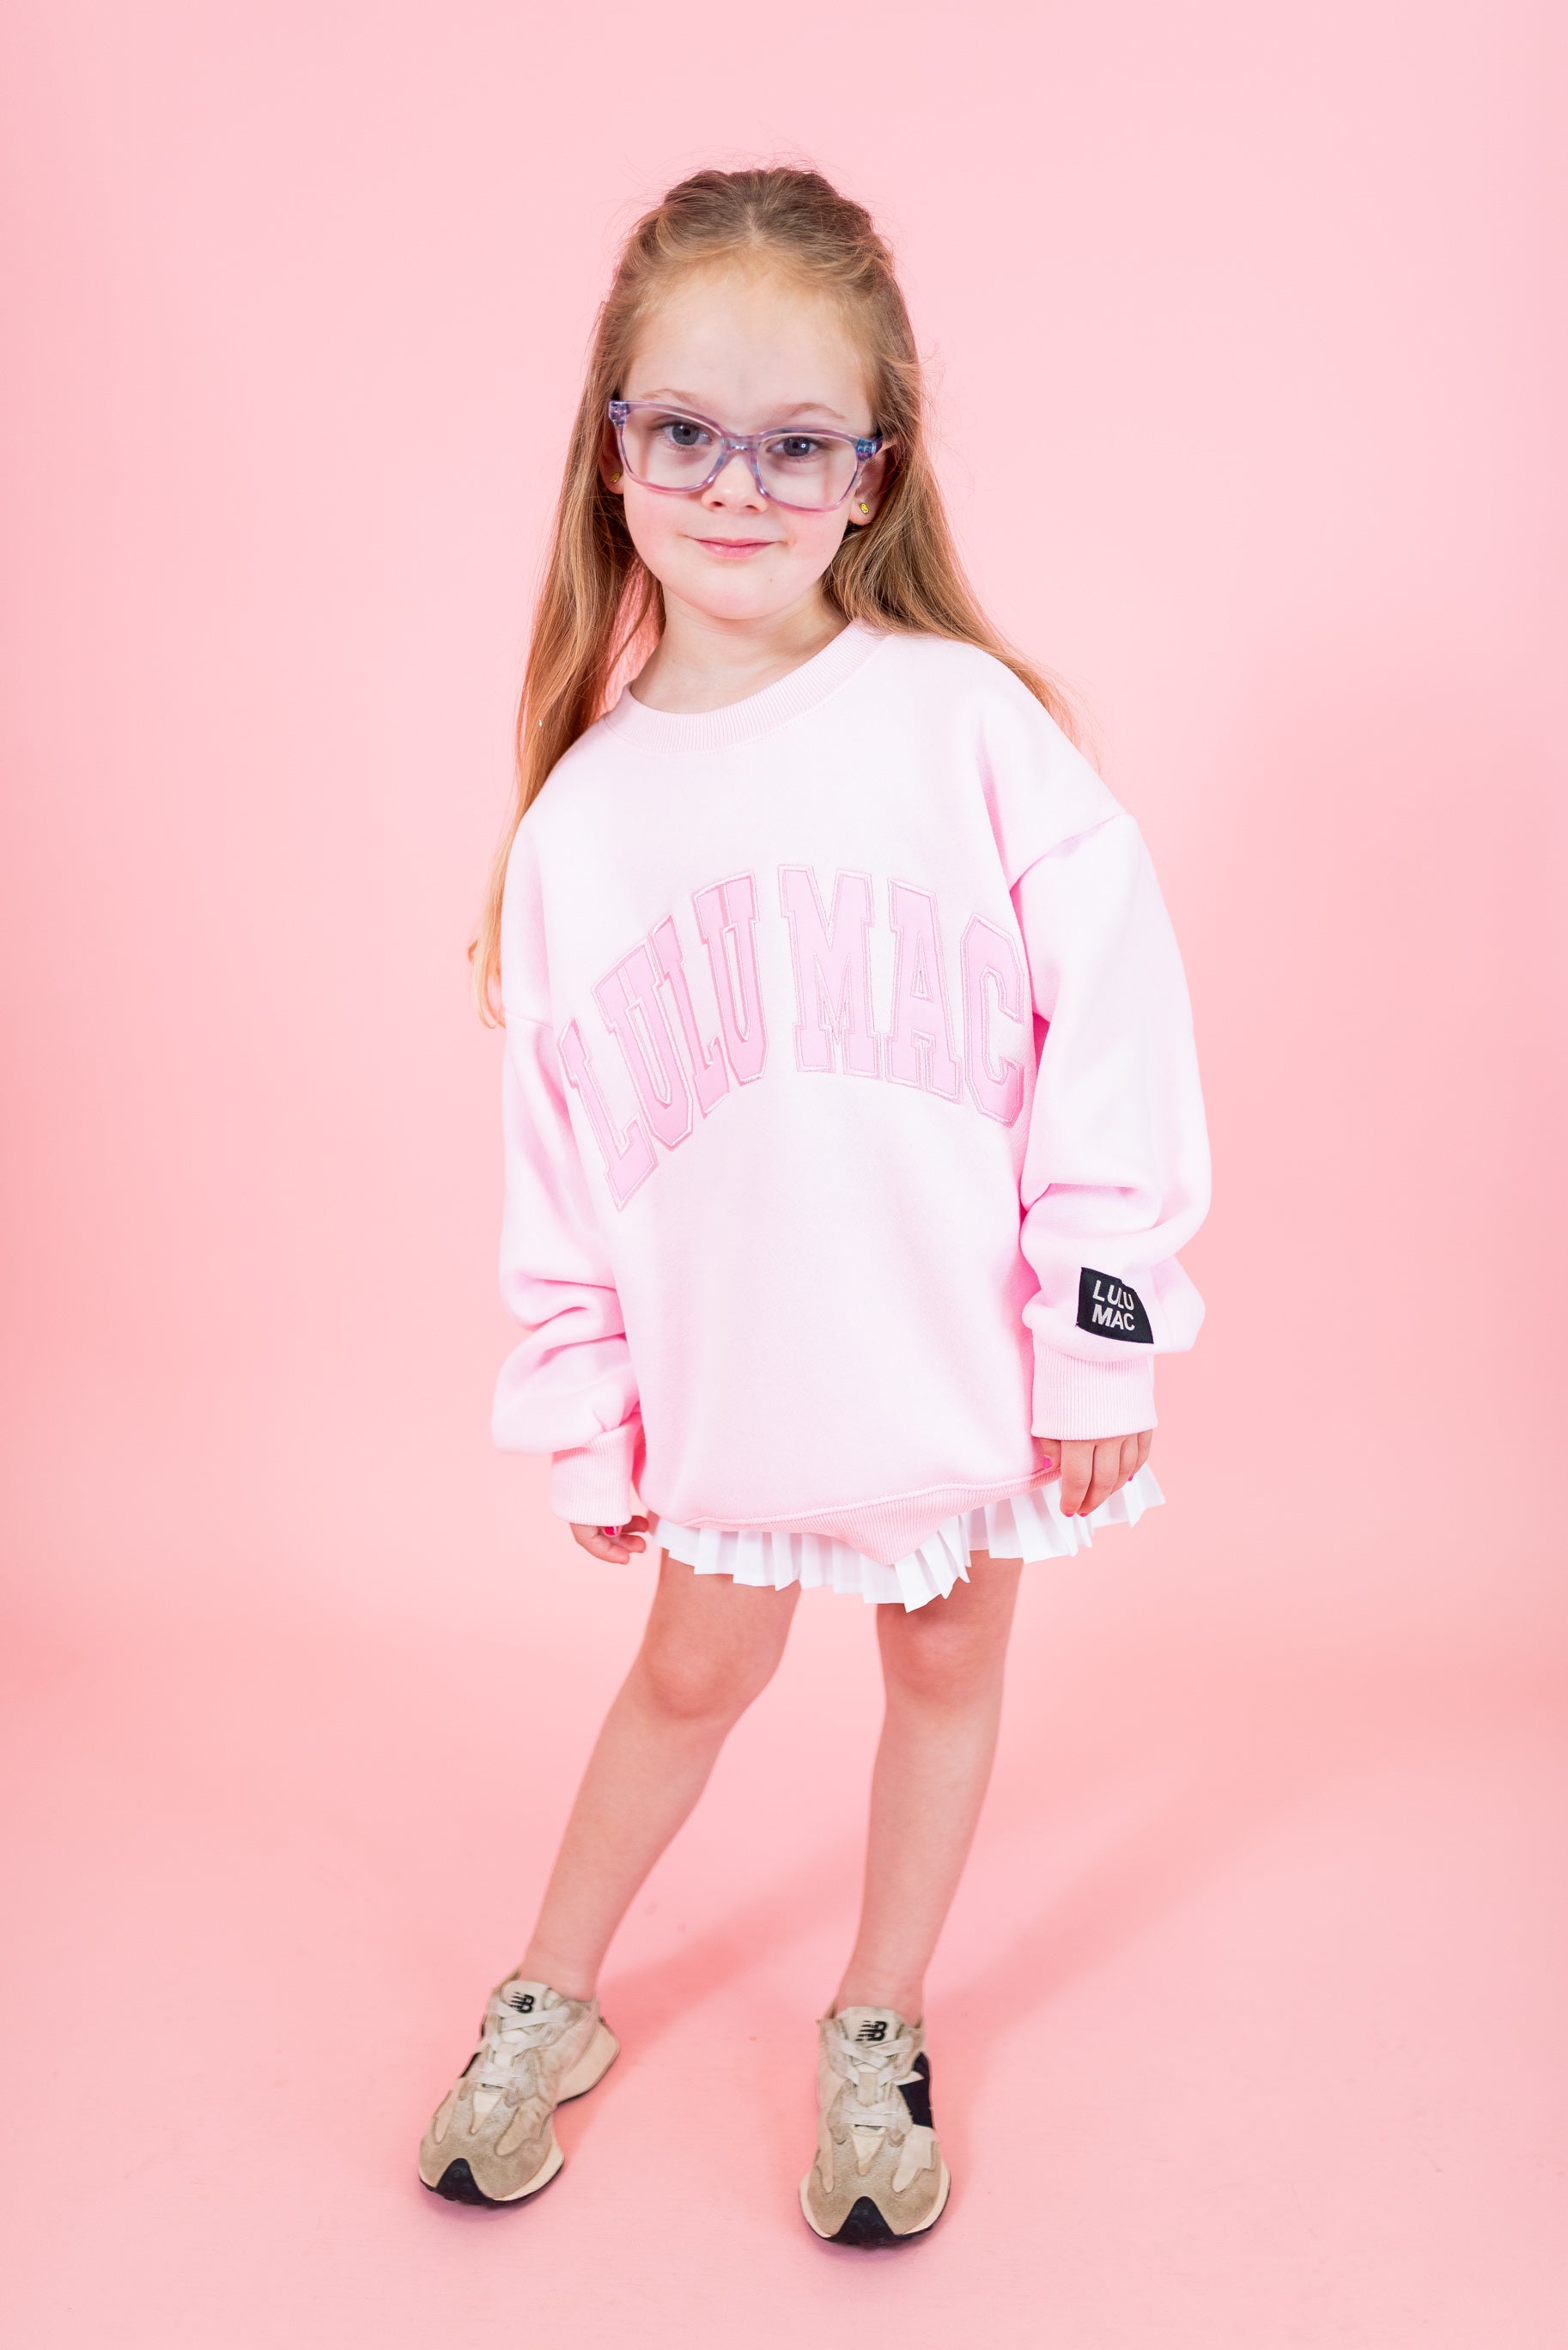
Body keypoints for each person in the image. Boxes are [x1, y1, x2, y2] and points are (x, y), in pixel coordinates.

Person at [416, 164, 1210, 2246]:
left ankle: (878, 2021)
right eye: (686, 430)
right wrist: (589, 1403)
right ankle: (552, 1990)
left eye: (795, 444)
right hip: (742, 1379)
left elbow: (1112, 1022)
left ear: (873, 473)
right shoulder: (583, 825)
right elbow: (562, 1150)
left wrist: (1100, 1321)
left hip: (960, 1351)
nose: (735, 487)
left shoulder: (966, 727)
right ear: (612, 449)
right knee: (691, 1676)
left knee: (944, 1665)